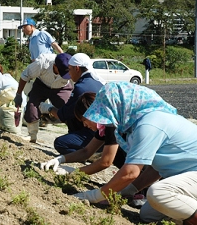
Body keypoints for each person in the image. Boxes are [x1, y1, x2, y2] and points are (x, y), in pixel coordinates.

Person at [74, 82, 197, 224]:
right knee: (148, 214)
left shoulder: (150, 124)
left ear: (120, 106)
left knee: (159, 193)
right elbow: (155, 169)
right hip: (189, 178)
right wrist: (129, 190)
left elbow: (130, 173)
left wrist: (95, 195)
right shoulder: (136, 126)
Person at [40, 92, 127, 175]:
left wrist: (74, 172)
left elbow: (106, 162)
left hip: (138, 165)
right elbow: (86, 151)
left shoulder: (111, 125)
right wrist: (60, 159)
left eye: (84, 120)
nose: (84, 125)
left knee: (114, 153)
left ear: (92, 114)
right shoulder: (103, 127)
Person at [38, 53, 105, 154]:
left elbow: (62, 115)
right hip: (105, 132)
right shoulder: (97, 81)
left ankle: (88, 153)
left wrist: (47, 108)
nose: (69, 73)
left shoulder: (81, 87)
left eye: (69, 69)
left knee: (60, 143)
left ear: (77, 68)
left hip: (95, 134)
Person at [13, 53, 73, 143]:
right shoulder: (42, 63)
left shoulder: (72, 66)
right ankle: (32, 135)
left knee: (69, 109)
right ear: (55, 65)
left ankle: (74, 133)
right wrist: (18, 94)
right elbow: (25, 75)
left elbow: (77, 83)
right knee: (32, 105)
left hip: (61, 87)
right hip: (42, 85)